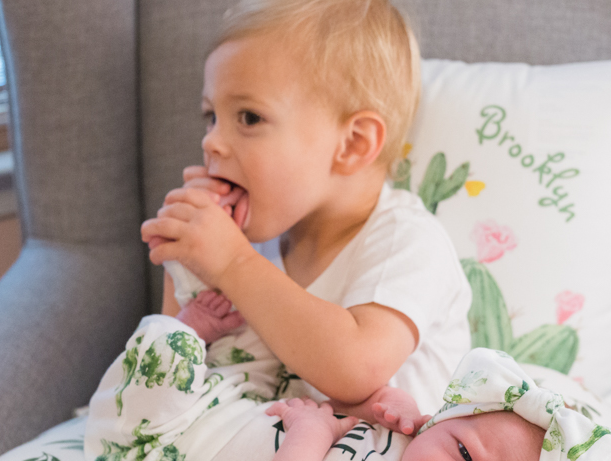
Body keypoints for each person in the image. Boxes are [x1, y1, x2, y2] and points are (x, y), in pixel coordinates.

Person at [84, 293, 611, 461]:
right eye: (464, 452)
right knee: (280, 356)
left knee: (168, 357)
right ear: (439, 421)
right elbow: (336, 409)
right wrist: (380, 406)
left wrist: (312, 433)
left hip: (160, 457)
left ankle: (187, 327)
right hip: (231, 409)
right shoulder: (414, 447)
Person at [140, 0, 471, 415]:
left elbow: (356, 369)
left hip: (391, 456)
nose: (211, 141)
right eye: (211, 116)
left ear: (352, 145)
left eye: (249, 117)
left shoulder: (408, 242)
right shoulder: (244, 241)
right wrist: (187, 267)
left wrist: (231, 263)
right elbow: (167, 384)